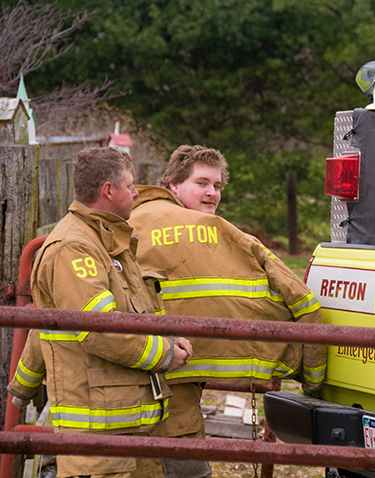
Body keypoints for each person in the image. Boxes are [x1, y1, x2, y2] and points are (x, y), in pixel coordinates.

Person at [128, 145, 327, 478]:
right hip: (170, 391)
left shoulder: (129, 220)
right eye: (202, 183)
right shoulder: (222, 235)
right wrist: (313, 382)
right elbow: (303, 300)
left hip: (124, 389)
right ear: (173, 185)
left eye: (217, 186)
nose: (212, 193)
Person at [8, 147, 193, 478]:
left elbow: (131, 316)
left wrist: (169, 337)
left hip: (126, 424)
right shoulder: (74, 248)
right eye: (131, 185)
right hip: (98, 434)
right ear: (108, 190)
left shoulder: (106, 240)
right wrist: (165, 355)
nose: (136, 192)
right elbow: (100, 330)